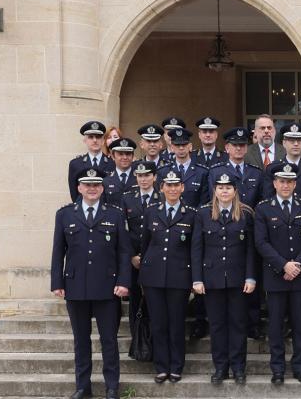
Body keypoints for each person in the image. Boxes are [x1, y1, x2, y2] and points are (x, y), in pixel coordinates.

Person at [51, 168, 131, 399]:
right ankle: (82, 387)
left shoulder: (115, 214)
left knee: (109, 340)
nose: (92, 188)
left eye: (96, 185)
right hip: (75, 287)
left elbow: (124, 253)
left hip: (107, 287)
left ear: (102, 188)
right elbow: (58, 251)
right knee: (81, 341)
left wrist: (124, 281)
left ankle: (112, 386)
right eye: (87, 185)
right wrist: (57, 281)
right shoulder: (65, 214)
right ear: (79, 188)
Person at [254, 162, 301, 385]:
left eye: (290, 181)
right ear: (274, 183)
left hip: (300, 277)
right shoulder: (263, 208)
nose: (286, 185)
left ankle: (300, 367)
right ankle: (278, 368)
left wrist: (297, 264)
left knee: (300, 325)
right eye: (282, 181)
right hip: (275, 276)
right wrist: (284, 266)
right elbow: (261, 243)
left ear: (295, 184)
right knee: (275, 326)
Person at [191, 173, 256, 385]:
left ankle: (238, 367)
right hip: (212, 279)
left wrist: (250, 276)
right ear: (215, 190)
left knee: (238, 324)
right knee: (217, 325)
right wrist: (197, 279)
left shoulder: (245, 214)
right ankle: (220, 367)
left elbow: (249, 250)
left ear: (235, 190)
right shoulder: (202, 213)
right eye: (220, 187)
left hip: (238, 279)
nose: (225, 191)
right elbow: (196, 249)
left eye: (228, 187)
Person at [139, 170, 197, 384]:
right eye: (168, 185)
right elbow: (145, 245)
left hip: (179, 277)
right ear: (161, 188)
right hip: (153, 277)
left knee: (176, 323)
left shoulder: (191, 213)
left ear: (182, 188)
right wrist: (142, 278)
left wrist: (194, 278)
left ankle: (176, 366)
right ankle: (161, 367)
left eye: (176, 185)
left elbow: (194, 249)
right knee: (158, 324)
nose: (172, 189)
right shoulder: (152, 211)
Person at [206, 127, 263, 340]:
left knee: (251, 274)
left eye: (242, 145)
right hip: (222, 229)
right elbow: (209, 201)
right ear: (227, 147)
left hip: (251, 229)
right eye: (235, 145)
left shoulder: (255, 172)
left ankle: (253, 322)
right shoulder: (214, 172)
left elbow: (262, 202)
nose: (239, 149)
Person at [121, 161, 159, 349]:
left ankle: (153, 341)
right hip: (134, 261)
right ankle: (137, 342)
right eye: (140, 175)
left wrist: (149, 257)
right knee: (135, 301)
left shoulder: (162, 198)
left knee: (155, 303)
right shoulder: (128, 199)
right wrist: (131, 257)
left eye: (147, 175)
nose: (143, 179)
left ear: (155, 177)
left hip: (157, 261)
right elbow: (123, 232)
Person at [156, 128, 209, 208]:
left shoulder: (202, 172)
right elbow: (160, 199)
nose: (181, 148)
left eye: (184, 145)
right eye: (177, 145)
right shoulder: (163, 171)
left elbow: (204, 202)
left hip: (194, 218)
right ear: (172, 148)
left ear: (190, 146)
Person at [68, 121, 115, 201]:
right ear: (85, 140)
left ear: (103, 140)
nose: (95, 140)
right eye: (91, 137)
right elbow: (74, 194)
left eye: (98, 137)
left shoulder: (113, 163)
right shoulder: (75, 164)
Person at [103, 138, 137, 206]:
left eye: (128, 154)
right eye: (120, 154)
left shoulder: (140, 178)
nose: (125, 157)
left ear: (132, 156)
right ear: (113, 156)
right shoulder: (105, 181)